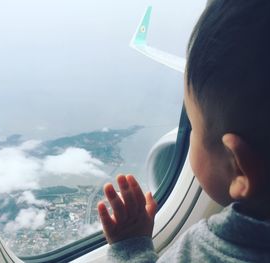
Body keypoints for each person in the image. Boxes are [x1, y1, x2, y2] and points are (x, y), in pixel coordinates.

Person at [97, 0, 270, 262]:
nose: (188, 136)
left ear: (239, 169)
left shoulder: (199, 252)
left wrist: (130, 247)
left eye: (193, 127)